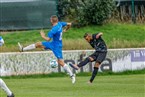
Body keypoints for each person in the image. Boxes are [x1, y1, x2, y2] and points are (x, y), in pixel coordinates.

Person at [18, 15, 75, 84]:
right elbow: (70, 24)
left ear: (52, 21)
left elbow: (48, 39)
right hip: (53, 43)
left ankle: (72, 75)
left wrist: (42, 36)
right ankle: (22, 49)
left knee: (61, 62)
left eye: (50, 20)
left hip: (57, 46)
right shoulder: (60, 24)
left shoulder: (53, 30)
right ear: (56, 20)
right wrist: (66, 29)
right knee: (38, 44)